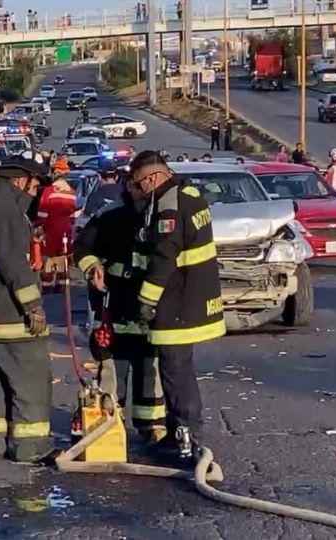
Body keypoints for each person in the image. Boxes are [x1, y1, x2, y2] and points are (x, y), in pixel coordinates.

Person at [129, 151, 226, 468]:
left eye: (141, 185)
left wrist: (146, 299)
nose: (140, 192)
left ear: (153, 178)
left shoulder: (169, 205)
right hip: (194, 299)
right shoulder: (189, 194)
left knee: (175, 372)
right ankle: (179, 433)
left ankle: (186, 439)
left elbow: (164, 257)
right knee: (178, 369)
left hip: (178, 303)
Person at [0, 153, 54, 463]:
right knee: (29, 382)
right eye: (35, 186)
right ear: (21, 180)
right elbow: (14, 265)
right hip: (11, 317)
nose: (35, 193)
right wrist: (33, 307)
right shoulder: (8, 211)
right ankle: (30, 448)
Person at [73, 175, 168, 443]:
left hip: (153, 311)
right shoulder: (109, 216)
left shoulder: (165, 215)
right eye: (138, 185)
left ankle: (153, 427)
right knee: (113, 369)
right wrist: (93, 267)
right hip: (115, 307)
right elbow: (81, 248)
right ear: (129, 186)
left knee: (152, 369)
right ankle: (109, 423)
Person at [36, 168, 79, 294]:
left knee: (48, 256)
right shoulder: (71, 192)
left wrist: (39, 225)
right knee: (62, 254)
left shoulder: (49, 191)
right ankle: (61, 283)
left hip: (51, 227)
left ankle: (47, 284)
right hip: (66, 228)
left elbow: (43, 212)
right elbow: (73, 214)